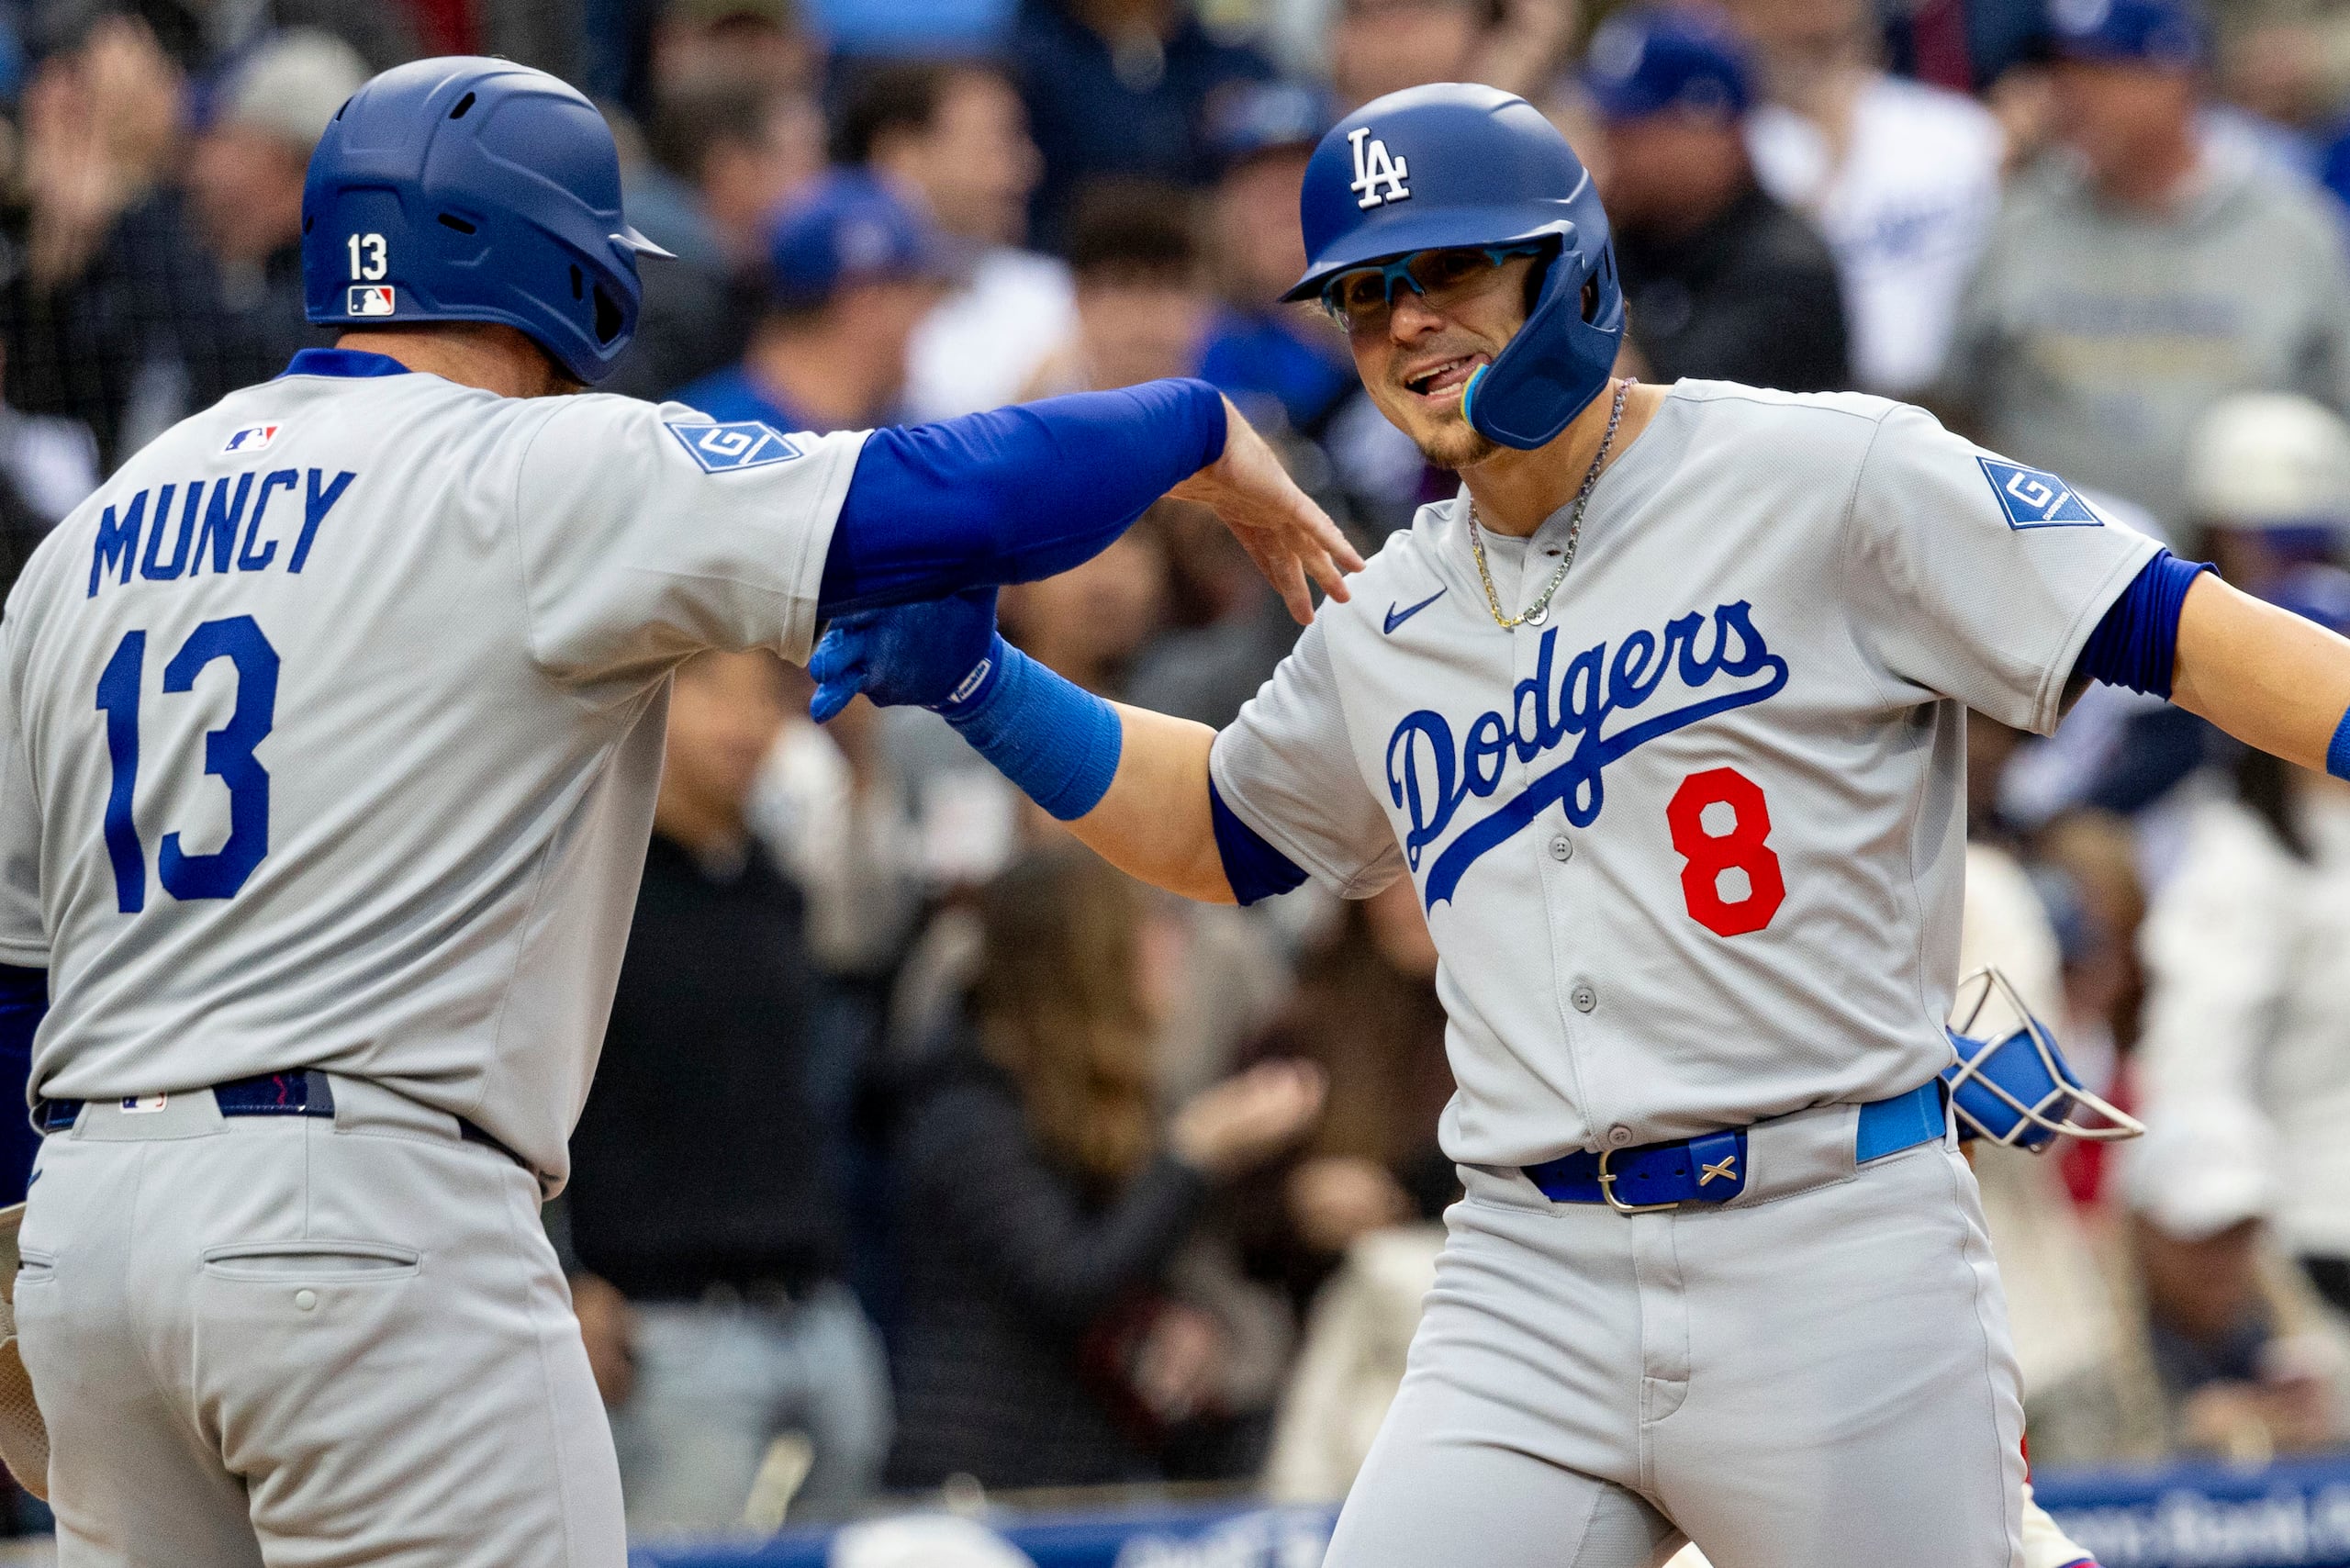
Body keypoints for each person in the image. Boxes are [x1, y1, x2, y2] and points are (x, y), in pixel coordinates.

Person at [810, 82, 2350, 1567]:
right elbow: (1225, 826)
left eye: (1448, 270)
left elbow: (2182, 631)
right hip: (1528, 1270)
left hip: (1829, 1237)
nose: (1404, 321)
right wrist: (985, 681)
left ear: (1573, 264)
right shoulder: (1388, 605)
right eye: (1364, 295)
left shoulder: (1825, 471)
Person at [0, 55, 1355, 1568]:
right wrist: (1193, 427)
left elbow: (9, 968)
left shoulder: (100, 526)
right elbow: (937, 501)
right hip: (362, 1220)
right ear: (556, 263)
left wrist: (42, 1243)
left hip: (88, 1226)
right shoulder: (522, 464)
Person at [565, 649, 890, 1530]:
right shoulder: (584, 891)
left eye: (765, 696)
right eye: (710, 690)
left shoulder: (778, 890)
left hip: (817, 1313)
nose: (744, 724)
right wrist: (561, 1273)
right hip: (664, 1331)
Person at [886, 846, 1324, 1490]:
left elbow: (1120, 1272)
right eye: (1149, 924)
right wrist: (1195, 1151)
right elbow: (1070, 1279)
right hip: (981, 1488)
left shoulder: (1086, 1104)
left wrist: (1176, 1324)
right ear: (1085, 957)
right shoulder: (969, 1109)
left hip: (1082, 1475)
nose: (1175, 943)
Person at [1941, 0, 2350, 532]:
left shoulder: (2290, 228)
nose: (2073, 98)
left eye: (2102, 74)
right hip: (2049, 569)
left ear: (2177, 78)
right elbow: (1954, 403)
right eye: (2062, 74)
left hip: (2240, 585)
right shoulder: (2018, 219)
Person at [1732, 0, 2005, 397]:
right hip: (1827, 408)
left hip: (1967, 401)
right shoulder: (1745, 153)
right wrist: (1830, 170)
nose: (1808, 16)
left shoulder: (1961, 130)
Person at [1581, 6, 1851, 393]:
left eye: (1631, 130)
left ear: (1712, 132)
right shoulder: (1624, 238)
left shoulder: (1788, 270)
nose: (1608, 148)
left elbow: (1667, 418)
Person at [835, 60, 1076, 420]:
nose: (1029, 166)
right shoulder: (841, 308)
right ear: (904, 157)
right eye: (998, 144)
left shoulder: (1061, 293)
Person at [674, 173, 947, 432]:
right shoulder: (698, 439)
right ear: (866, 305)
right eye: (919, 295)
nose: (927, 312)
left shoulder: (912, 429)